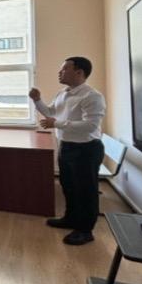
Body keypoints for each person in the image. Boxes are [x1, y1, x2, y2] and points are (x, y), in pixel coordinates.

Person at [29, 56, 106, 245]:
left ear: (79, 72)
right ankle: (70, 219)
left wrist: (57, 124)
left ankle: (85, 230)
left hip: (86, 149)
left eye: (64, 69)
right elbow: (50, 112)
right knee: (69, 186)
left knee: (85, 191)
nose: (60, 72)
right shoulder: (63, 93)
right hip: (67, 146)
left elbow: (90, 125)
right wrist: (37, 100)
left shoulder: (92, 96)